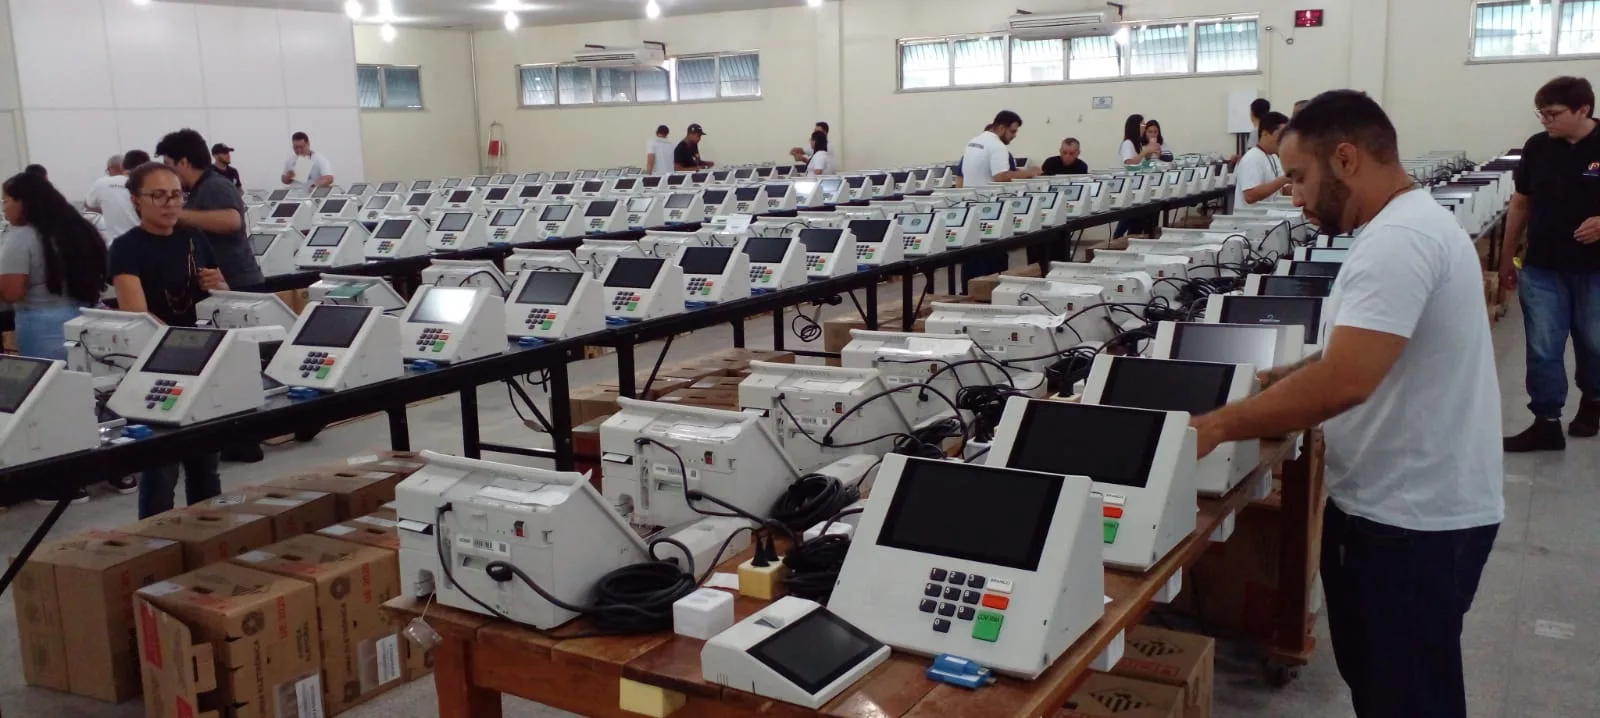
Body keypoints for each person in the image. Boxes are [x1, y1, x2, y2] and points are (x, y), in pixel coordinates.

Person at [1191, 90, 1502, 718]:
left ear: (1347, 158)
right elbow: (1357, 358)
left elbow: (1346, 383)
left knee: (1408, 696)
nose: (1293, 194)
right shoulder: (1405, 225)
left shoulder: (1399, 241)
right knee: (1391, 684)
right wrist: (1283, 377)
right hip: (1409, 508)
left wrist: (1217, 426)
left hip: (1411, 523)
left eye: (1300, 176)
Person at [110, 162, 229, 518]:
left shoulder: (194, 238)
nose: (169, 203)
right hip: (156, 365)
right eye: (158, 195)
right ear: (136, 201)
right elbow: (138, 316)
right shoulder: (126, 248)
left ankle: (210, 534)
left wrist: (218, 286)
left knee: (206, 466)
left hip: (203, 364)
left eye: (176, 194)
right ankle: (155, 549)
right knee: (161, 471)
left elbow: (222, 296)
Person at [2, 171, 124, 501]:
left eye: (7, 200)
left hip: (42, 325)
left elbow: (12, 290)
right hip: (86, 318)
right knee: (91, 394)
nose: (4, 207)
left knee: (51, 401)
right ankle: (115, 468)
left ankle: (64, 482)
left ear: (25, 203)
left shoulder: (22, 236)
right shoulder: (78, 228)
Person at [1501, 75, 1600, 451]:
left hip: (1594, 269)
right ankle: (1546, 421)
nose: (1545, 120)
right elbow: (1521, 203)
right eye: (1541, 113)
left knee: (1594, 342)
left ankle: (1593, 402)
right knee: (1543, 344)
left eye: (1553, 113)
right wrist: (1508, 257)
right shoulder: (1538, 148)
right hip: (1542, 265)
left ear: (1583, 109)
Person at [156, 128, 263, 289]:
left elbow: (232, 221)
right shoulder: (198, 190)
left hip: (238, 285)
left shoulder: (214, 185)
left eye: (168, 165)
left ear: (184, 163)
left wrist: (176, 214)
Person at [960, 111, 1038, 186]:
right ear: (1001, 128)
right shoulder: (998, 145)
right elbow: (1001, 177)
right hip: (987, 197)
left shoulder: (973, 141)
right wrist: (1029, 173)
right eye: (1012, 131)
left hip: (971, 197)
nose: (1015, 135)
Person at [1233, 111, 1291, 208]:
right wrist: (1285, 179)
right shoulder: (1252, 158)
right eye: (1280, 135)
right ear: (1265, 134)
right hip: (1251, 221)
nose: (1284, 140)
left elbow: (1281, 190)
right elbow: (1250, 196)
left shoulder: (1273, 157)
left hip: (1268, 218)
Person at [84, 153, 139, 239]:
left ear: (112, 169)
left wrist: (107, 206)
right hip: (139, 239)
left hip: (115, 243)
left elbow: (89, 204)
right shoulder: (139, 182)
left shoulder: (101, 183)